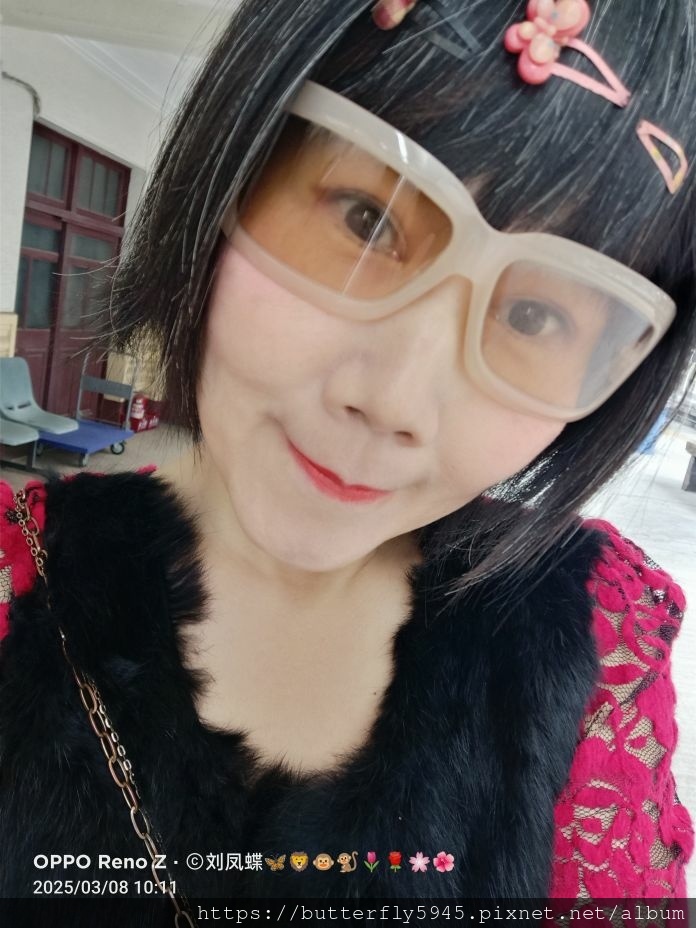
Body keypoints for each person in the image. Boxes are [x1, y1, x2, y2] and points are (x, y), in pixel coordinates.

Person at [1, 0, 694, 923]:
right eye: (367, 220)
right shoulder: (13, 581)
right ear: (233, 166)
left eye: (535, 315)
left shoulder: (597, 639)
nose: (393, 402)